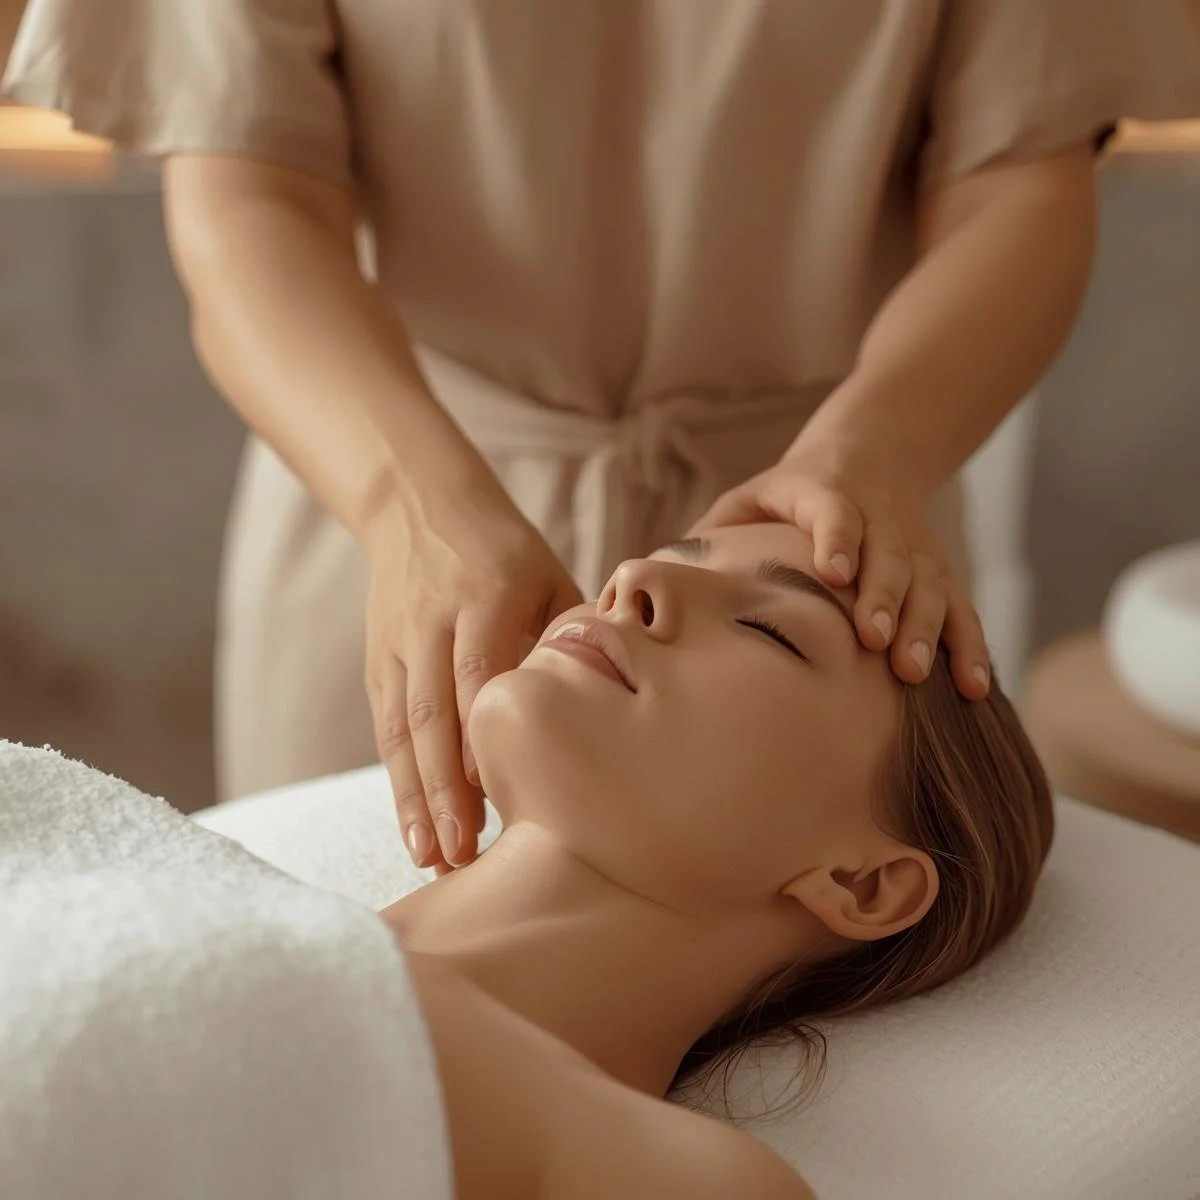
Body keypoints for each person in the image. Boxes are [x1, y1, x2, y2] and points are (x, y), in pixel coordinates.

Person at [5, 1, 1198, 872]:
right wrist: (416, 513)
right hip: (398, 499)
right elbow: (244, 191)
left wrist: (877, 450)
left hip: (834, 520)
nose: (627, 593)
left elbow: (1020, 185)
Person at [377, 520, 1055, 1198]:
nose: (633, 579)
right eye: (664, 556)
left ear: (863, 882)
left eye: (770, 631)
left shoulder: (681, 1180)